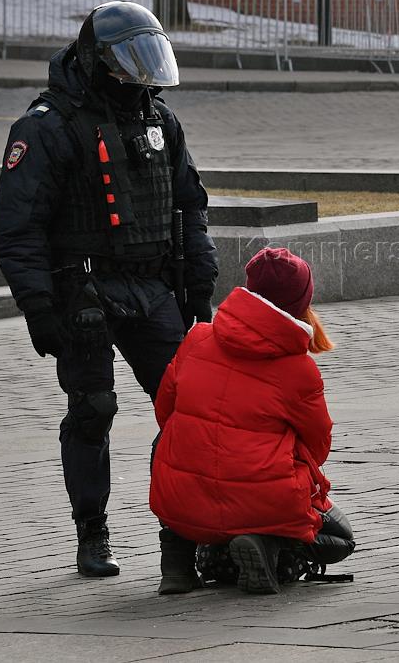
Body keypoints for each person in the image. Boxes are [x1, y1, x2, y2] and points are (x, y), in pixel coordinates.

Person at [0, 1, 219, 578]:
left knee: (189, 407)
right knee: (94, 410)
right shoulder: (47, 126)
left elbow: (189, 207)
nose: (139, 76)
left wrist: (199, 284)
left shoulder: (160, 121)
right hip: (82, 289)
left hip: (151, 284)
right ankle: (92, 529)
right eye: (128, 63)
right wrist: (38, 307)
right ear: (98, 62)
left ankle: (186, 531)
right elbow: (17, 227)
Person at [149, 247, 355, 595]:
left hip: (183, 503)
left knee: (167, 442)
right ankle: (267, 543)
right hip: (263, 501)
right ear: (300, 302)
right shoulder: (299, 369)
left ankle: (177, 562)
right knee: (341, 539)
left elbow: (164, 411)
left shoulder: (197, 338)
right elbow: (318, 446)